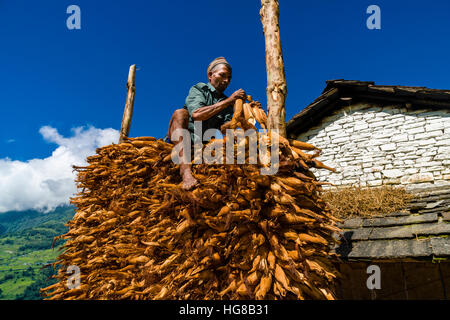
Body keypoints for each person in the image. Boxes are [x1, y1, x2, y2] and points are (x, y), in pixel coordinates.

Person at [166, 57, 246, 190]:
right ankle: (185, 172)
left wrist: (241, 116)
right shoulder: (199, 89)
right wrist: (230, 100)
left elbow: (225, 129)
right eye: (222, 75)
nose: (226, 81)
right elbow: (197, 115)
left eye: (229, 78)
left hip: (204, 144)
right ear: (210, 75)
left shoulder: (227, 102)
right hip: (184, 138)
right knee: (180, 113)